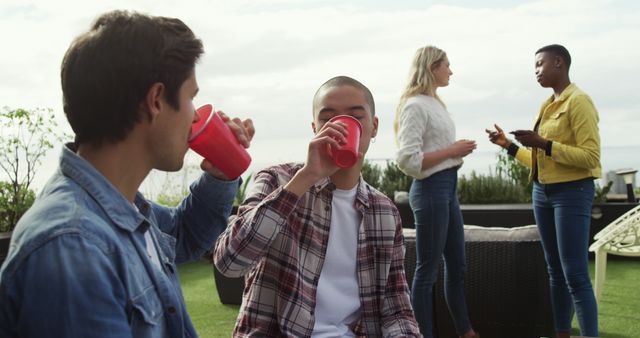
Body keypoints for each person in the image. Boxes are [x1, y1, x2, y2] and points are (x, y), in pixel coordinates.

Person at [0, 10, 254, 338]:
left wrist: (220, 175)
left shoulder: (118, 206)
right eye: (191, 97)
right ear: (156, 100)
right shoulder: (74, 247)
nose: (195, 115)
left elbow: (184, 234)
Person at [214, 76, 420, 337]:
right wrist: (307, 177)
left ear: (374, 127)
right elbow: (230, 262)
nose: (342, 127)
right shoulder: (277, 181)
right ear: (315, 128)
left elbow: (397, 308)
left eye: (356, 116)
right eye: (328, 119)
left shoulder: (384, 212)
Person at [486, 44, 600, 338]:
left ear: (559, 63)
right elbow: (540, 159)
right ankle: (562, 333)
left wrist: (544, 143)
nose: (536, 71)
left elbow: (591, 158)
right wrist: (509, 147)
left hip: (572, 193)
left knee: (574, 274)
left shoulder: (579, 101)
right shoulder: (547, 104)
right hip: (543, 193)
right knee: (555, 272)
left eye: (540, 64)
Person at [394, 45, 479, 338]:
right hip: (430, 190)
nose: (451, 71)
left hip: (448, 189)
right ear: (432, 68)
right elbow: (408, 160)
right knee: (427, 270)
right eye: (447, 65)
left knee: (458, 265)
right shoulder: (415, 105)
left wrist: (454, 154)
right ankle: (423, 334)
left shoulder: (435, 103)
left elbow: (435, 151)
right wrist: (453, 150)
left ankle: (465, 330)